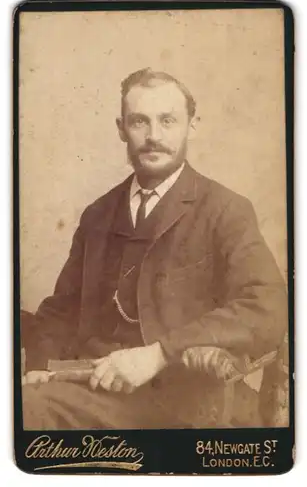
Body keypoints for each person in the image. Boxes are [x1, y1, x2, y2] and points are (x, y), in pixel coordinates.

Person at [21, 68, 287, 429]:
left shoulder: (225, 210)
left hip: (186, 401)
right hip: (95, 390)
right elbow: (61, 309)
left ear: (191, 124)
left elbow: (267, 308)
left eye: (167, 121)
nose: (153, 137)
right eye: (139, 122)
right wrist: (40, 364)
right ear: (120, 129)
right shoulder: (99, 214)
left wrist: (159, 354)